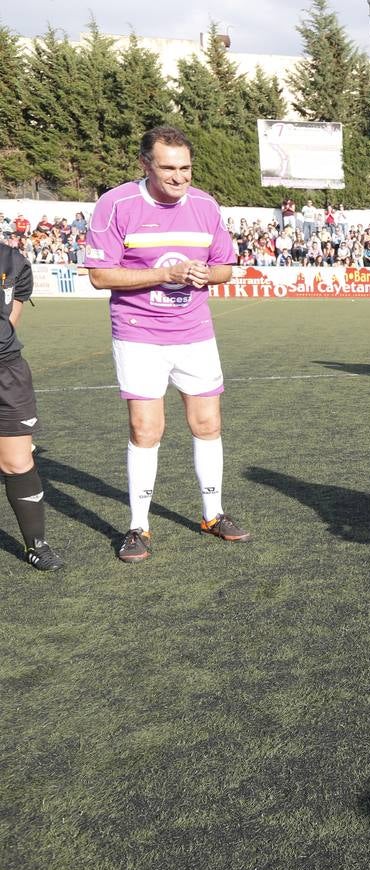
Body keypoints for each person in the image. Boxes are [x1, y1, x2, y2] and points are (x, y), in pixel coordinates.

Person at [85, 125, 251, 563]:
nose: (180, 178)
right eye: (168, 168)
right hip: (139, 333)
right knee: (146, 429)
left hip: (194, 332)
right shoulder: (115, 204)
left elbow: (224, 268)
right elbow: (101, 275)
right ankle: (138, 526)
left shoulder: (205, 205)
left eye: (186, 168)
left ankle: (212, 514)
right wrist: (166, 274)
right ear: (145, 165)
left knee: (207, 425)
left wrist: (202, 273)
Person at [0, 244, 63, 570]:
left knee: (16, 461)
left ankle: (36, 545)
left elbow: (12, 317)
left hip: (6, 371)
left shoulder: (13, 260)